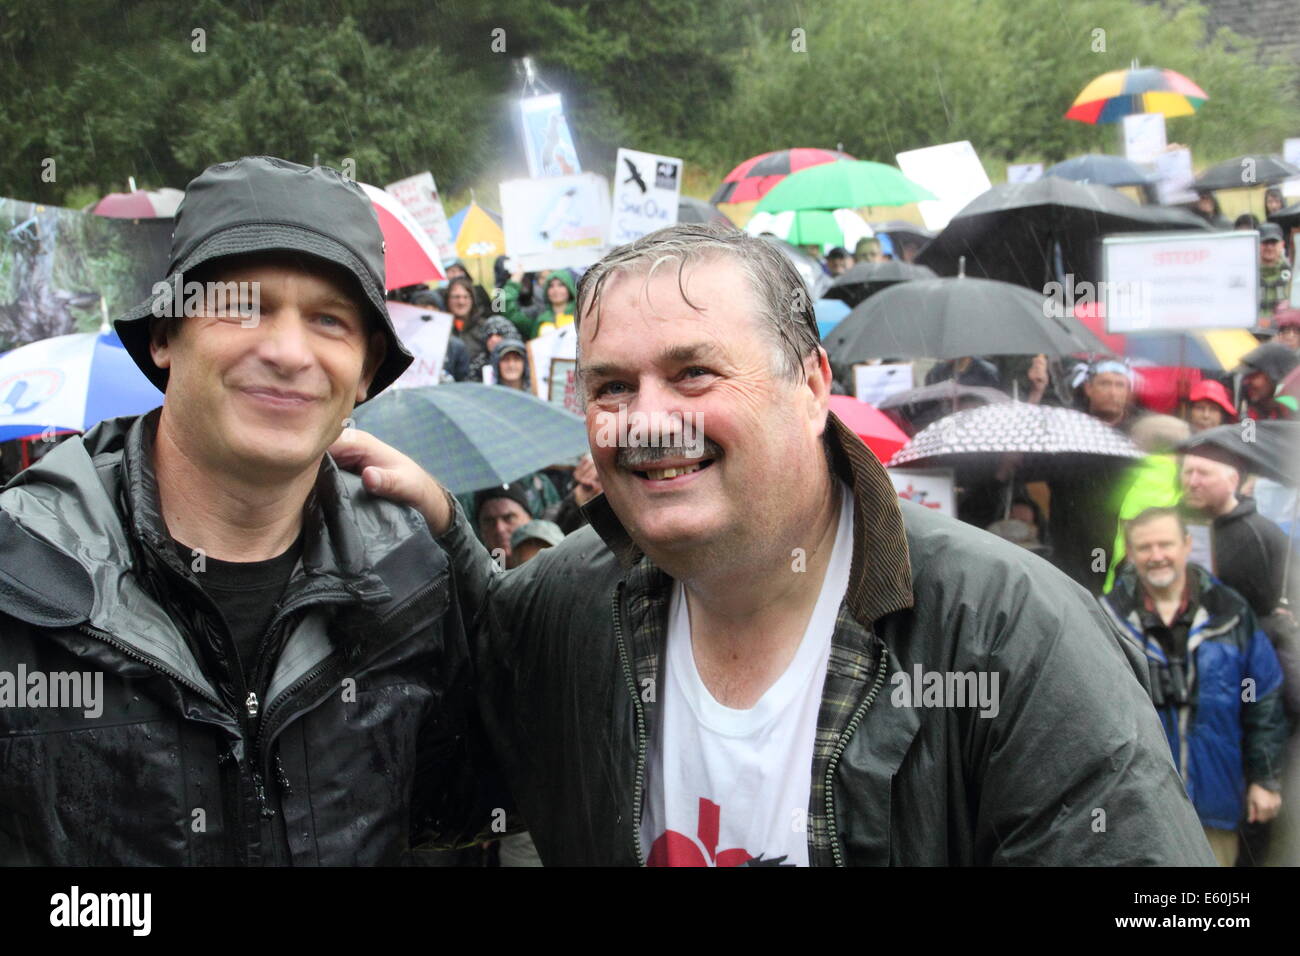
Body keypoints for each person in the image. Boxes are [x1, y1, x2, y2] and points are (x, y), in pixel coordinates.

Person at [335, 223, 1214, 865]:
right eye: (611, 387)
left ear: (811, 385)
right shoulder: (560, 612)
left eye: (693, 373)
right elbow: (390, 792)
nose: (647, 421)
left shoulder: (1013, 634)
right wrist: (426, 541)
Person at [0, 156, 492, 864]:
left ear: (364, 371)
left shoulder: (414, 582)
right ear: (166, 336)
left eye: (328, 320)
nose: (289, 352)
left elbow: (486, 793)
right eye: (243, 307)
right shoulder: (21, 573)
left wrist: (458, 542)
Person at [1102, 507, 1286, 866]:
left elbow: (1263, 698)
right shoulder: (1108, 619)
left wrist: (1265, 778)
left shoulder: (1231, 612)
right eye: (1144, 547)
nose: (1156, 556)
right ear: (1130, 551)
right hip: (1138, 809)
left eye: (1165, 544)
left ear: (1187, 545)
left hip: (1215, 801)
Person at [1179, 450, 1294, 620]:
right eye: (1188, 472)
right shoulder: (1166, 524)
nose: (1193, 482)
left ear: (1233, 481)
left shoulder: (1263, 535)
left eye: (1204, 474)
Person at [501, 267, 577, 340]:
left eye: (561, 285)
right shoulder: (538, 319)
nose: (556, 289)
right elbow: (502, 306)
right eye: (551, 286)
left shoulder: (581, 314)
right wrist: (515, 280)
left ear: (569, 287)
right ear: (546, 290)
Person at [1236, 342, 1299, 421]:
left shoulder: (1294, 413)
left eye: (1253, 376)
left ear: (1275, 376)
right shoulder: (1251, 413)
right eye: (1247, 377)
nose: (1246, 382)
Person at [1258, 223, 1293, 324]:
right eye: (1265, 243)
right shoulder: (1248, 273)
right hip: (1252, 332)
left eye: (1273, 243)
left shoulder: (1294, 274)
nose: (1269, 247)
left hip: (1285, 332)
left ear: (1282, 244)